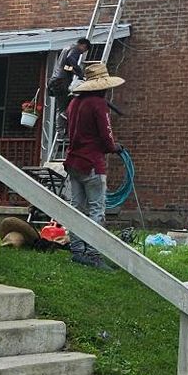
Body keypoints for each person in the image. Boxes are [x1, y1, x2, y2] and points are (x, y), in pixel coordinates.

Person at [62, 61, 123, 268]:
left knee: (77, 208)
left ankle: (77, 250)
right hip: (92, 164)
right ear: (103, 86)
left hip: (73, 161)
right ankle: (94, 254)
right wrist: (115, 147)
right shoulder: (98, 105)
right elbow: (107, 138)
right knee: (97, 209)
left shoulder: (73, 104)